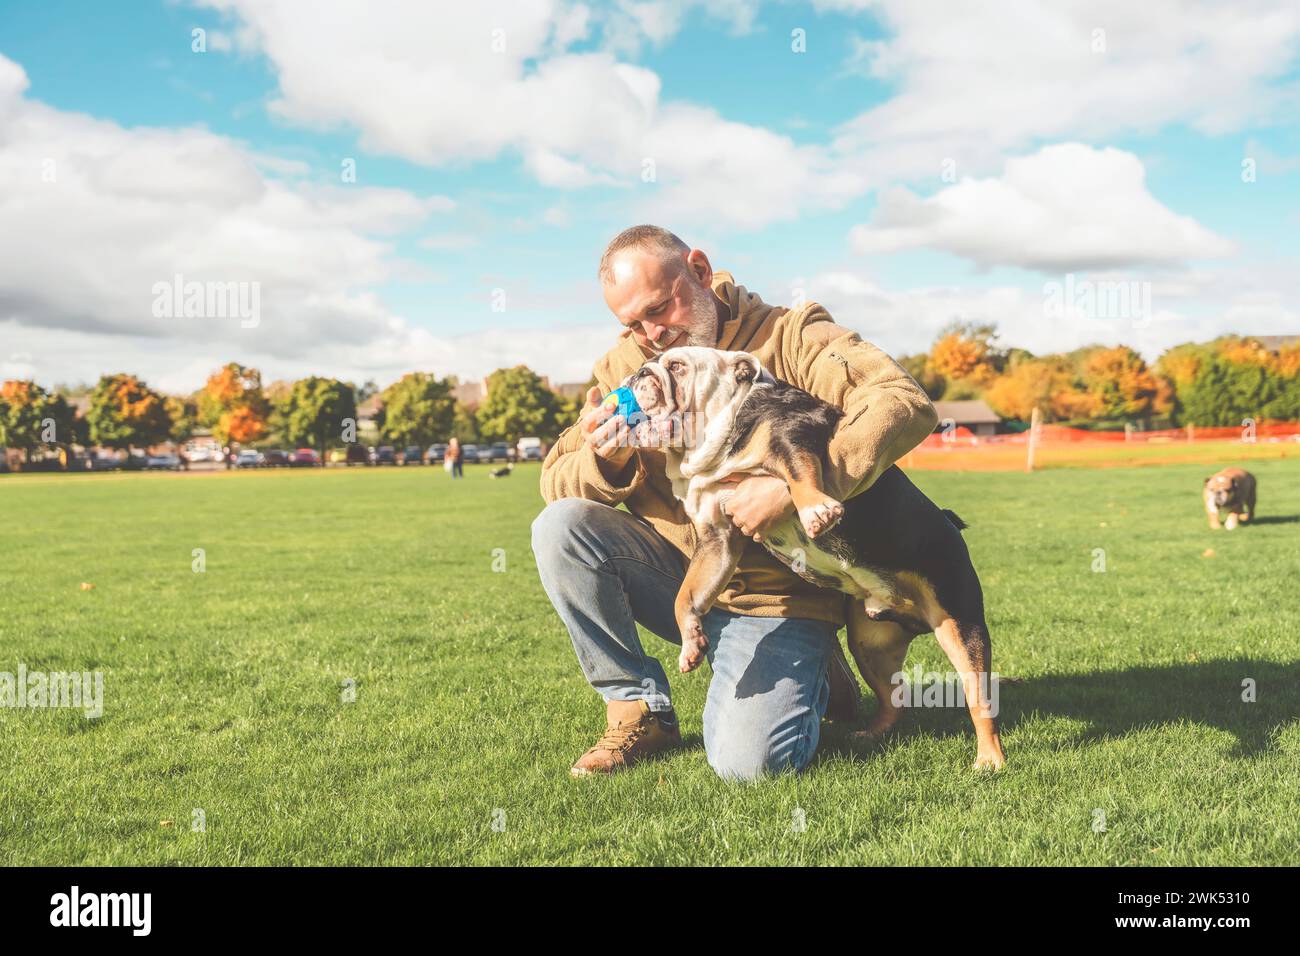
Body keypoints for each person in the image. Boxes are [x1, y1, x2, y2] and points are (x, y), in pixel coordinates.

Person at [531, 225, 938, 781]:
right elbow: (554, 481)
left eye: (659, 308)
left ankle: (820, 672)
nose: (652, 334)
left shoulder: (790, 336)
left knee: (749, 767)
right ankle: (638, 709)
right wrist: (609, 459)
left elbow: (901, 402)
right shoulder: (623, 369)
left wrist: (793, 490)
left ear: (698, 270)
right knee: (562, 526)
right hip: (685, 576)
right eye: (633, 324)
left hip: (780, 599)